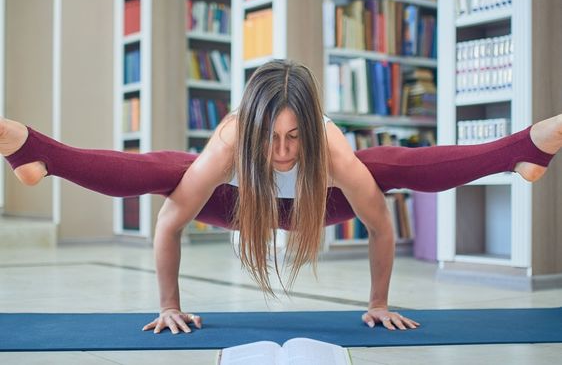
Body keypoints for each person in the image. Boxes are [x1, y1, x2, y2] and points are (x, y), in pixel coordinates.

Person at [1, 60, 559, 335]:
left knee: (386, 164)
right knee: (168, 169)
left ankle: (523, 150)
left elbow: (381, 226)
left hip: (322, 205)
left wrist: (379, 302)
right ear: (252, 128)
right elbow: (170, 224)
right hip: (239, 206)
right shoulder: (230, 140)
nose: (284, 151)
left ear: (311, 132)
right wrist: (168, 306)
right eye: (271, 138)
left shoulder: (333, 148)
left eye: (295, 137)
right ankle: (36, 153)